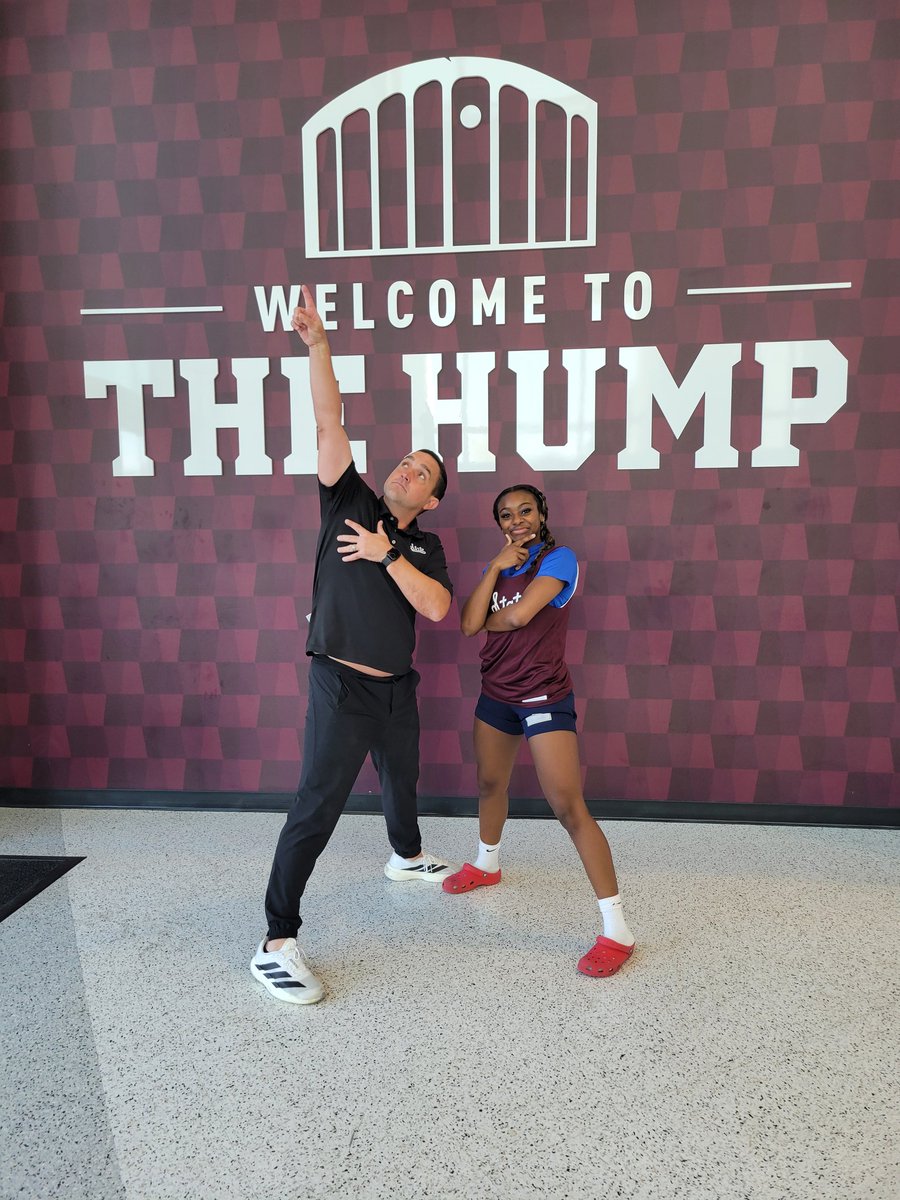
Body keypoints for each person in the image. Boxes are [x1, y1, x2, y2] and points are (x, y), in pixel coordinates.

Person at [251, 285, 455, 1005]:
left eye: (422, 472)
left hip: (397, 689)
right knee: (318, 805)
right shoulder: (349, 499)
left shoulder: (425, 546)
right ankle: (276, 941)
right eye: (405, 461)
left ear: (431, 499)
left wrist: (385, 554)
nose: (406, 470)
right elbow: (328, 420)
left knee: (403, 778)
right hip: (341, 685)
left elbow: (437, 607)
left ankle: (407, 856)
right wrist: (320, 346)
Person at [443, 484, 636, 977]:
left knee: (568, 807)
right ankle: (487, 863)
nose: (518, 520)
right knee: (490, 783)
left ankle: (618, 931)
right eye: (507, 515)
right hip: (496, 693)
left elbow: (520, 614)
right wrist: (493, 568)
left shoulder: (560, 558)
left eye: (526, 510)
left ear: (543, 513)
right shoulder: (499, 566)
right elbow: (467, 625)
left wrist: (490, 617)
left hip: (542, 695)